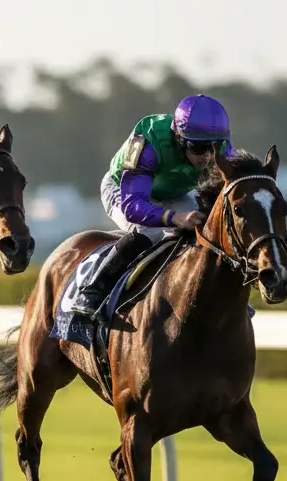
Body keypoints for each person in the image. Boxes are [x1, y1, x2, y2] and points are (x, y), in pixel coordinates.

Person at [68, 93, 238, 317]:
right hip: (125, 190)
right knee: (149, 232)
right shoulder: (149, 142)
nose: (207, 157)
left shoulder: (221, 147)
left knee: (208, 228)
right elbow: (133, 206)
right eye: (198, 148)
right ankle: (92, 289)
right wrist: (174, 218)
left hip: (176, 192)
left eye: (213, 148)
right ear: (179, 138)